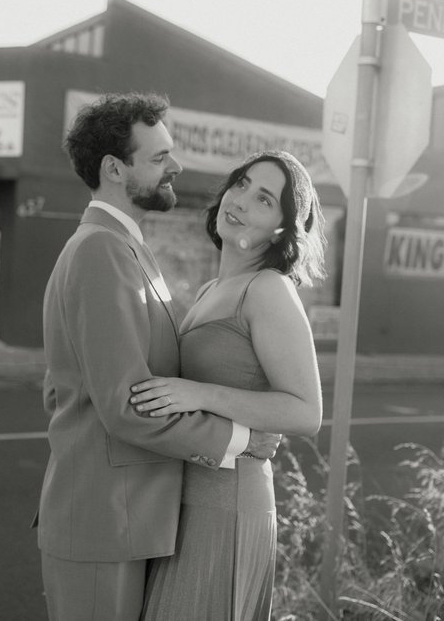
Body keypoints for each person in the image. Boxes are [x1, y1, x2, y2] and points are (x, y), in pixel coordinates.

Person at [36, 92, 281, 621]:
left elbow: (61, 387)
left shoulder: (126, 246)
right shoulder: (102, 249)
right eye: (159, 157)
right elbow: (124, 405)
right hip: (103, 524)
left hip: (122, 519)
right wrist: (239, 440)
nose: (177, 166)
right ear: (114, 169)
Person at [131, 150, 326, 620]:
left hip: (228, 505)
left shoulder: (268, 289)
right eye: (241, 183)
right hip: (186, 496)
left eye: (263, 199)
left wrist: (200, 394)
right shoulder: (208, 290)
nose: (239, 200)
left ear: (283, 228)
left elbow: (306, 413)